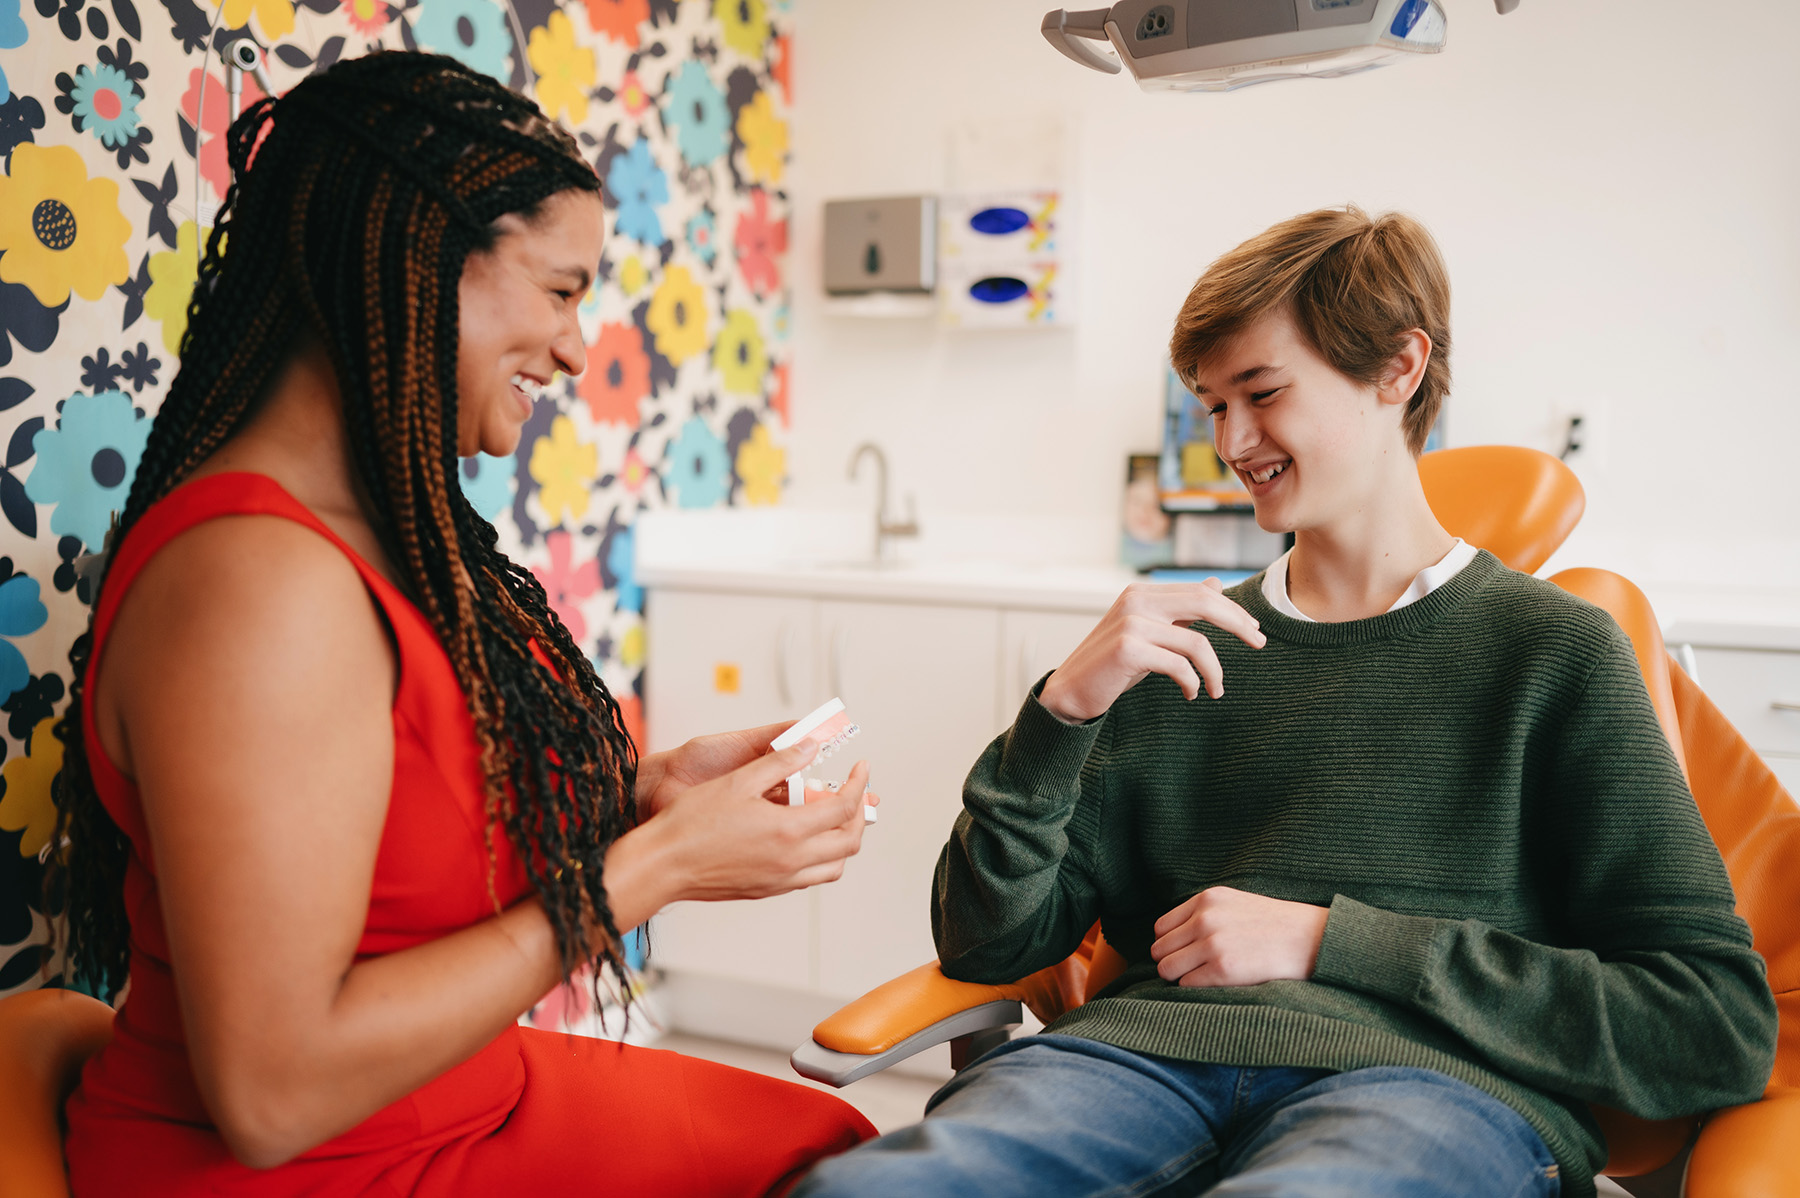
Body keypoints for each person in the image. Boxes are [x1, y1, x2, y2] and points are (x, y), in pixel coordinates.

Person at [793, 207, 1777, 1198]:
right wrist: (1063, 711)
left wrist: (1329, 939)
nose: (1233, 441)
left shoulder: (1551, 655)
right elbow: (985, 941)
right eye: (1213, 405)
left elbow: (1712, 1023)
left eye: (1261, 393)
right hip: (1130, 1063)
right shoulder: (1174, 653)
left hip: (1428, 1091)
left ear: (1399, 369)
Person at [51, 52, 877, 1196]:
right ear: (424, 256)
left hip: (458, 1105)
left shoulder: (383, 530)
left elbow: (396, 825)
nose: (579, 349)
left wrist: (641, 794)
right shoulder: (257, 584)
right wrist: (648, 872)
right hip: (319, 1169)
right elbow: (273, 1095)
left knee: (843, 1151)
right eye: (559, 289)